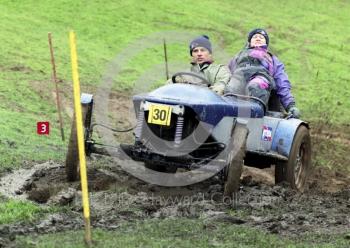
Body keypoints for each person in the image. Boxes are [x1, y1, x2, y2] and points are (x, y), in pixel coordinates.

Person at [227, 28, 300, 118]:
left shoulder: (272, 59)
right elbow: (227, 74)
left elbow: (282, 82)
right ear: (249, 42)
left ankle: (251, 118)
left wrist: (290, 105)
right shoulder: (237, 56)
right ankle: (228, 116)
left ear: (266, 43)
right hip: (239, 78)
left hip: (261, 79)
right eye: (255, 37)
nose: (258, 38)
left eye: (261, 37)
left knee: (256, 86)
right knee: (231, 87)